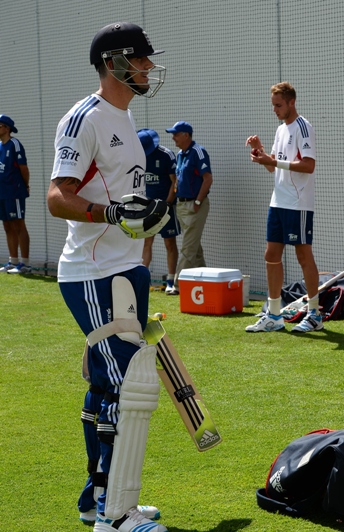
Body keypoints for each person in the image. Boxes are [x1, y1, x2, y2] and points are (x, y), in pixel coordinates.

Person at [46, 22, 170, 532]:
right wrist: (115, 215)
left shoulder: (124, 115)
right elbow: (58, 197)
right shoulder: (85, 118)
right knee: (128, 386)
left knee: (106, 385)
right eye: (141, 60)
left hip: (122, 269)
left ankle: (95, 498)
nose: (147, 68)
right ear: (115, 61)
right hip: (94, 272)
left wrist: (144, 216)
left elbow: (122, 201)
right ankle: (114, 515)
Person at [245, 82, 323, 333]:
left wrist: (273, 160)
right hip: (278, 202)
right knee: (271, 255)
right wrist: (261, 153)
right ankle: (275, 315)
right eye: (273, 105)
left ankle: (314, 315)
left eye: (279, 105)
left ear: (291, 102)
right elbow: (273, 166)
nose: (275, 110)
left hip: (298, 203)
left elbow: (308, 165)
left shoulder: (304, 127)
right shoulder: (280, 130)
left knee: (303, 256)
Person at [169, 120, 212, 287]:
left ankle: (178, 285)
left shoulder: (198, 152)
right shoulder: (180, 155)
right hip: (181, 205)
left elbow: (207, 179)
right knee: (194, 247)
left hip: (195, 206)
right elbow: (178, 180)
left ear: (186, 135)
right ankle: (207, 280)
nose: (173, 138)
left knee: (188, 247)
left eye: (176, 134)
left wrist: (198, 201)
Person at [138, 128, 180, 294]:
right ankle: (143, 279)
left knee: (169, 242)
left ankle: (171, 281)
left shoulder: (166, 155)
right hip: (147, 207)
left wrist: (168, 203)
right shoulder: (137, 155)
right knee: (146, 241)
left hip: (166, 207)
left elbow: (175, 181)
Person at [0, 114, 31, 274]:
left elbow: (24, 169)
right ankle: (13, 261)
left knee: (19, 225)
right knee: (7, 225)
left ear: (7, 128)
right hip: (2, 193)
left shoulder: (15, 144)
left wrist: (25, 186)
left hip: (14, 191)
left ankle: (24, 264)